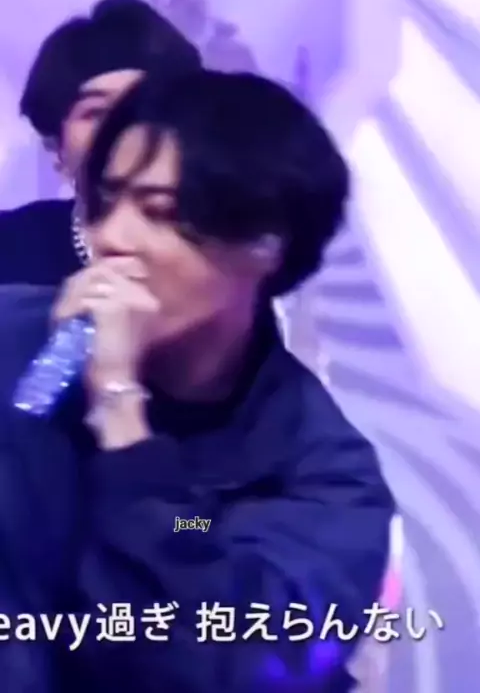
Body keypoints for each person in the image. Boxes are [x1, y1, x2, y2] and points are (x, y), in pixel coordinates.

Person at [0, 70, 394, 692]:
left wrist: (120, 413)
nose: (111, 238)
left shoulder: (321, 479)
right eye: (107, 201)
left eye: (158, 212)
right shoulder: (19, 343)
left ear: (266, 244)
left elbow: (214, 666)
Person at [0, 0, 201, 286]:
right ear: (55, 147)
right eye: (96, 112)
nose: (120, 128)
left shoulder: (223, 258)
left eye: (138, 105)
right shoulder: (9, 248)